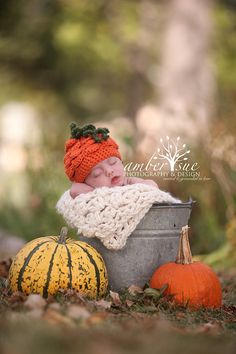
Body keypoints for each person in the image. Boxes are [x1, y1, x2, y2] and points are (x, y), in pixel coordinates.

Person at [64, 123, 158, 199]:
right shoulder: (91, 192)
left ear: (121, 163)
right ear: (85, 183)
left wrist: (127, 193)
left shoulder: (129, 182)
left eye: (113, 162)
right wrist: (101, 194)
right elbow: (74, 191)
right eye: (97, 173)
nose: (109, 171)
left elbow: (152, 185)